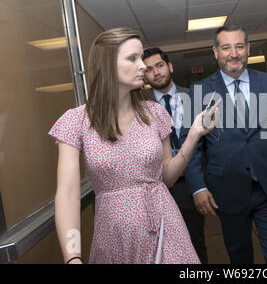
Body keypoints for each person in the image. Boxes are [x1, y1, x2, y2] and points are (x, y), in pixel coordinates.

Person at [49, 28, 217, 264]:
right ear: (107, 64)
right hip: (115, 237)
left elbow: (167, 177)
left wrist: (194, 136)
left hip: (165, 226)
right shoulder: (75, 120)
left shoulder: (154, 113)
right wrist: (72, 257)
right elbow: (68, 195)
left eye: (142, 58)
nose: (143, 66)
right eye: (133, 58)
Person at [183, 25, 267, 264]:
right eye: (226, 47)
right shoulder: (199, 91)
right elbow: (191, 145)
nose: (234, 54)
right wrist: (198, 187)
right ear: (215, 52)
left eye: (239, 46)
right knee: (239, 256)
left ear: (248, 49)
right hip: (227, 189)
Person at [142, 47, 208, 264]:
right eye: (149, 69)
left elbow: (210, 143)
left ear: (170, 66)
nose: (156, 72)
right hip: (155, 188)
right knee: (158, 248)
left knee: (194, 242)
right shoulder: (140, 108)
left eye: (159, 65)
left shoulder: (195, 97)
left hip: (189, 185)